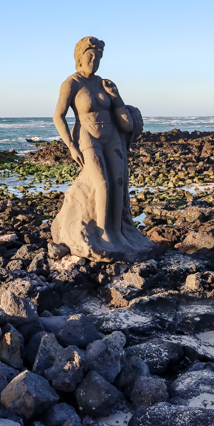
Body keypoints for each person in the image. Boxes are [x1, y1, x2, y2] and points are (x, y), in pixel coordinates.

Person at [50, 36, 154, 262]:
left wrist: (116, 95)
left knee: (119, 183)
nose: (94, 61)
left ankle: (119, 233)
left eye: (98, 58)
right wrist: (70, 146)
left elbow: (124, 119)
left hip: (112, 137)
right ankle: (104, 233)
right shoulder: (72, 84)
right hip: (88, 136)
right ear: (80, 57)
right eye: (90, 56)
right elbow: (58, 116)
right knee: (102, 184)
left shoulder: (104, 83)